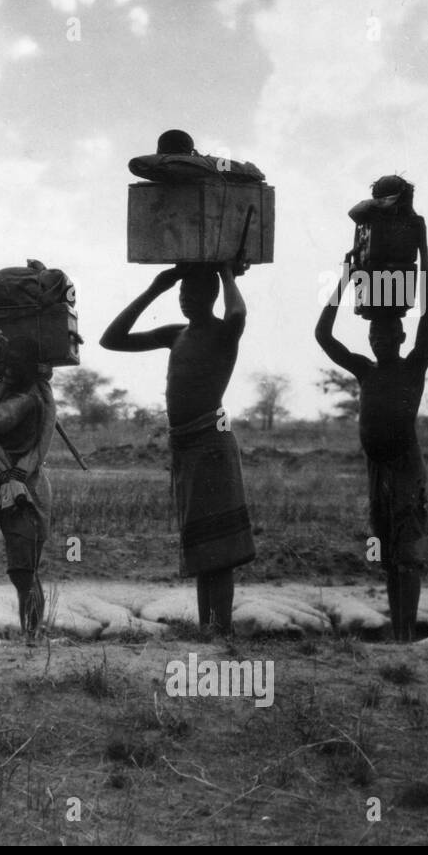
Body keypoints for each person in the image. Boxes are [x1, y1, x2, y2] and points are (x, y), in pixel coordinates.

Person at [100, 262, 254, 636]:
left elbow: (238, 311)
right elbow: (111, 339)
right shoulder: (176, 334)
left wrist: (227, 273)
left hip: (212, 444)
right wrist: (156, 287)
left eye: (194, 293)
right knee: (203, 544)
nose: (186, 299)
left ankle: (221, 628)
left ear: (212, 295)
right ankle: (211, 628)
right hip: (186, 447)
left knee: (221, 547)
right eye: (183, 293)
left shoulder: (223, 333)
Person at [315, 221, 428, 642]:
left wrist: (424, 256)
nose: (381, 336)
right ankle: (398, 630)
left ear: (400, 335)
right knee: (386, 551)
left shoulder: (412, 367)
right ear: (369, 335)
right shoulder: (364, 370)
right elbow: (323, 335)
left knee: (407, 552)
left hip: (405, 467)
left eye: (388, 331)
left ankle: (405, 632)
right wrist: (345, 280)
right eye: (374, 331)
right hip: (377, 470)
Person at [0, 337, 56, 643]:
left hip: (22, 497)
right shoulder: (28, 395)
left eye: (12, 363)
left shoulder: (23, 402)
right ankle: (33, 634)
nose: (6, 369)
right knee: (26, 570)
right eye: (3, 362)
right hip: (25, 492)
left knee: (22, 572)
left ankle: (32, 636)